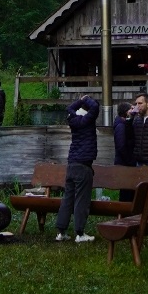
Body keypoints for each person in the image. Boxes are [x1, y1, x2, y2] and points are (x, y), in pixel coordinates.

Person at [54, 94, 99, 243]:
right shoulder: (87, 120)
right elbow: (95, 106)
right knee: (82, 200)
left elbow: (69, 107)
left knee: (67, 198)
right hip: (84, 165)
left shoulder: (72, 118)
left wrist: (80, 100)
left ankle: (61, 232)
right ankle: (80, 233)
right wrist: (86, 98)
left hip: (72, 163)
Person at [113, 102, 135, 202]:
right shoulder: (121, 126)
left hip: (125, 161)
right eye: (131, 109)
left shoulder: (124, 124)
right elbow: (121, 146)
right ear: (126, 112)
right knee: (126, 192)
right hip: (124, 163)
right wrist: (129, 160)